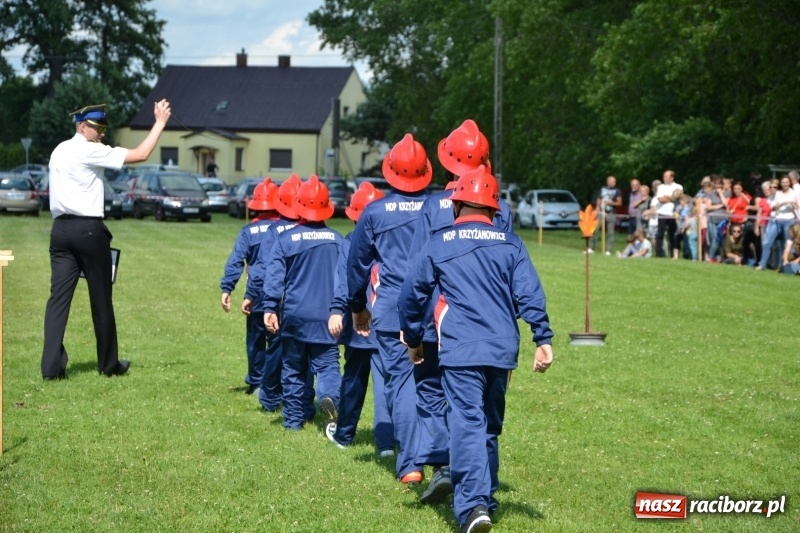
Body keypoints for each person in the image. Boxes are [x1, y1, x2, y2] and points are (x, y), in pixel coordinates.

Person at [398, 165, 554, 533]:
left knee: (468, 422)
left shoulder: (439, 243)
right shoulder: (510, 242)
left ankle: (471, 508)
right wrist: (542, 338)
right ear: (493, 208)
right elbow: (529, 293)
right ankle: (487, 498)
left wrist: (414, 337)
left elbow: (411, 294)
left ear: (457, 205)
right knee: (488, 426)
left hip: (461, 349)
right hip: (502, 350)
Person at [408, 119, 502, 505]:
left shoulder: (432, 206)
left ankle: (445, 467)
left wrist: (410, 326)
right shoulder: (502, 207)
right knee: (478, 407)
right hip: (485, 325)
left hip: (437, 320)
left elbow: (417, 268)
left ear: (446, 161)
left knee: (431, 390)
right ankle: (479, 483)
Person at [42, 100, 172, 380]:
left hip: (60, 231)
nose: (101, 133)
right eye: (97, 128)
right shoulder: (90, 150)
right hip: (88, 229)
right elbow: (141, 154)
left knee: (58, 301)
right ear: (82, 126)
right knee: (101, 298)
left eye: (102, 128)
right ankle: (109, 364)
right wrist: (160, 122)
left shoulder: (59, 149)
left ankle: (51, 368)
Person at [347, 133, 431, 486]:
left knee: (401, 384)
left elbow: (357, 265)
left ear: (391, 170)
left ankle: (411, 464)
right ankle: (443, 460)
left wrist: (357, 306)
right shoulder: (440, 206)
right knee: (436, 384)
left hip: (391, 311)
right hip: (435, 309)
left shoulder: (374, 212)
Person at [263, 176, 343, 430]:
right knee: (328, 364)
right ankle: (329, 394)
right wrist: (340, 310)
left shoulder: (285, 240)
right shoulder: (338, 240)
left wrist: (270, 307)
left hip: (294, 315)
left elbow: (274, 277)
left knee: (293, 369)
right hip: (326, 317)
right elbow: (346, 279)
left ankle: (294, 420)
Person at [326, 182, 394, 456]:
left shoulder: (351, 241)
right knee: (387, 384)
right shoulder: (392, 240)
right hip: (388, 321)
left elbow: (343, 279)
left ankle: (344, 436)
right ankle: (387, 444)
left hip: (358, 321)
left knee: (353, 380)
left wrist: (335, 310)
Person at [219, 179, 280, 394]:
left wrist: (227, 288)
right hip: (282, 295)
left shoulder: (248, 231)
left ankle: (257, 382)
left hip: (257, 294)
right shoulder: (287, 228)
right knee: (278, 341)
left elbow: (236, 260)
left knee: (255, 340)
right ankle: (276, 384)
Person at [757, 175, 800, 271]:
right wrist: (784, 203)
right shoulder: (778, 193)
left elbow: (797, 206)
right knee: (767, 242)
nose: (785, 184)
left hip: (788, 221)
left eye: (787, 182)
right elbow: (773, 207)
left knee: (785, 244)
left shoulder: (794, 193)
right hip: (776, 220)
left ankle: (782, 265)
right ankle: (762, 264)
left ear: (789, 183)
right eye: (783, 182)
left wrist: (792, 204)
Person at [588, 175, 622, 255]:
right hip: (601, 213)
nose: (614, 183)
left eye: (615, 181)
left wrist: (610, 203)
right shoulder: (602, 189)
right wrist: (597, 208)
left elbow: (619, 203)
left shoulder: (617, 191)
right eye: (612, 181)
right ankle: (591, 248)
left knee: (610, 232)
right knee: (594, 230)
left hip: (611, 213)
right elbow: (599, 199)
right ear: (608, 182)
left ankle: (608, 250)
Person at [654, 170, 683, 258]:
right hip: (662, 213)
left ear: (672, 177)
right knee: (660, 234)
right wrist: (672, 198)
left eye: (666, 176)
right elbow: (660, 199)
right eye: (664, 176)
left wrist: (667, 197)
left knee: (673, 235)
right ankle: (659, 254)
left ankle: (673, 255)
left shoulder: (678, 186)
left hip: (673, 214)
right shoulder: (661, 187)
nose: (664, 178)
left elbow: (679, 198)